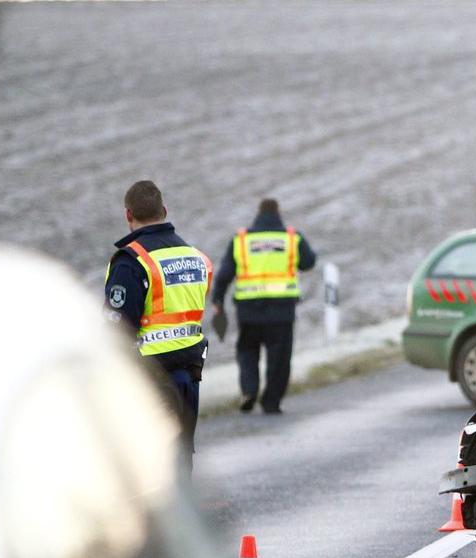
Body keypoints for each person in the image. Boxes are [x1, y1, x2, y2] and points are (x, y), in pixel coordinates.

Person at [103, 180, 211, 471]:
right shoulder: (194, 257)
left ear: (128, 215)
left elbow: (118, 327)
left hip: (151, 378)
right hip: (190, 373)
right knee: (181, 456)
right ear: (164, 210)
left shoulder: (131, 262)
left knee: (151, 462)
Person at [210, 198, 316, 414]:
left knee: (247, 351)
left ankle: (249, 390)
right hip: (281, 311)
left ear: (258, 214)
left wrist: (217, 301)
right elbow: (309, 262)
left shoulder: (241, 239)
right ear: (278, 213)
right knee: (279, 358)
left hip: (249, 311)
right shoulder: (291, 237)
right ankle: (271, 401)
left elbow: (224, 275)